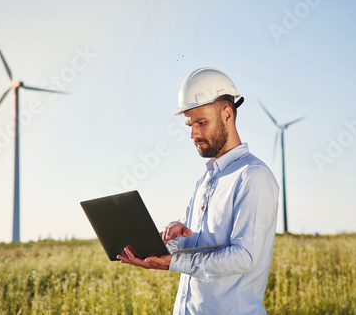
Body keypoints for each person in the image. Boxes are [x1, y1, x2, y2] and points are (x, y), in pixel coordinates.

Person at [118, 67, 279, 315]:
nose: (193, 133)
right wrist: (168, 244)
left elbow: (245, 256)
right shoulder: (206, 178)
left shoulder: (253, 176)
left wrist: (174, 262)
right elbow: (199, 246)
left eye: (201, 122)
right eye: (190, 124)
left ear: (227, 114)